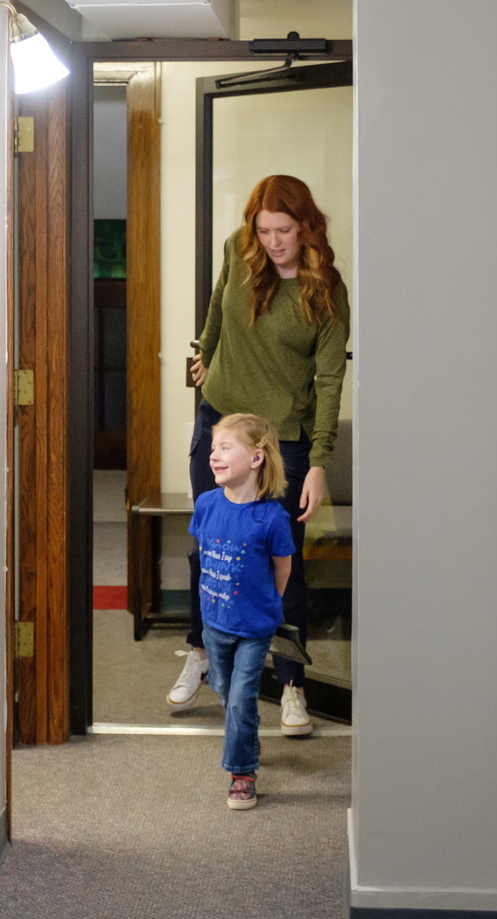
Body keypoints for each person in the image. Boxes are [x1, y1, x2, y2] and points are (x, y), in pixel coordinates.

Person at [166, 175, 349, 737]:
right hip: (220, 423)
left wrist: (319, 460)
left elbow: (329, 378)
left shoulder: (325, 289)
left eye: (284, 231)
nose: (272, 242)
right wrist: (204, 352)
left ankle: (291, 682)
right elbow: (218, 307)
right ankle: (199, 649)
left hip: (281, 442)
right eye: (263, 230)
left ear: (306, 226)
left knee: (281, 561)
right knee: (211, 545)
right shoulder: (237, 251)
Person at [188, 413, 295, 810]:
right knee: (223, 690)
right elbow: (202, 554)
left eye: (225, 448)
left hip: (254, 627)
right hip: (215, 623)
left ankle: (242, 771)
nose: (213, 456)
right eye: (213, 448)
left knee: (240, 698)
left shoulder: (272, 518)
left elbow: (283, 566)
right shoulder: (207, 504)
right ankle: (248, 736)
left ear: (256, 459)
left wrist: (272, 602)